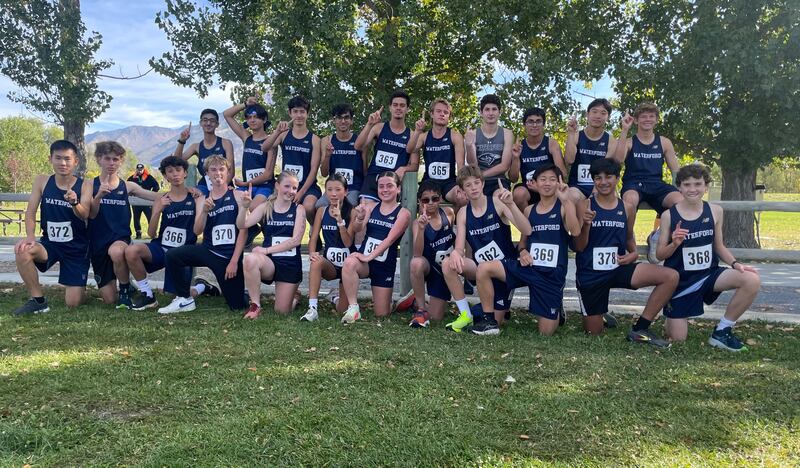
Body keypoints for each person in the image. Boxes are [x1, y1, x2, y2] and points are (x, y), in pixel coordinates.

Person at [573, 158, 678, 347]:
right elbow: (579, 247)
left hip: (618, 268)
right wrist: (587, 224)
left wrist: (633, 253)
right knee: (593, 333)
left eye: (608, 177)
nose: (603, 182)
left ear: (617, 178)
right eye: (598, 178)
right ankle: (599, 313)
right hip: (591, 274)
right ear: (593, 181)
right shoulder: (584, 205)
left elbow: (629, 237)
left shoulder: (627, 207)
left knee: (670, 276)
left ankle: (641, 328)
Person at [657, 164, 761, 351]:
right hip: (682, 283)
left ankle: (722, 331)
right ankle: (672, 316)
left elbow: (718, 246)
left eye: (698, 184)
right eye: (687, 185)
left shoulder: (715, 211)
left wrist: (735, 264)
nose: (693, 189)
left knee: (751, 279)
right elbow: (659, 255)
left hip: (708, 275)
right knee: (678, 339)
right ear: (679, 187)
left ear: (706, 186)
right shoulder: (668, 216)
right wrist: (674, 243)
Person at [475, 164, 580, 335]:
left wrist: (567, 200)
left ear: (559, 183)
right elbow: (523, 242)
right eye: (543, 179)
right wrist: (523, 252)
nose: (547, 184)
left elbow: (575, 231)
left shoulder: (563, 208)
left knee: (545, 333)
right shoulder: (530, 210)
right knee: (484, 268)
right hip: (528, 268)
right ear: (535, 184)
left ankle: (556, 306)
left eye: (552, 180)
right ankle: (489, 320)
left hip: (550, 275)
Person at [441, 165, 532, 335]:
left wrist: (511, 205)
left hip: (505, 268)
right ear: (462, 191)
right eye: (468, 185)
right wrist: (455, 252)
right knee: (447, 264)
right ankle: (465, 314)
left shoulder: (497, 203)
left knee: (498, 321)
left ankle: (490, 312)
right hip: (481, 269)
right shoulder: (463, 213)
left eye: (476, 183)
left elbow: (527, 230)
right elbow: (460, 247)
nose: (473, 187)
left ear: (482, 184)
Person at [159, 155, 248, 313]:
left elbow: (243, 230)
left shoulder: (238, 196)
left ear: (228, 172)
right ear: (207, 173)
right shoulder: (202, 199)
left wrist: (234, 261)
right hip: (208, 251)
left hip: (228, 258)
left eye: (221, 169)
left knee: (237, 306)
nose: (217, 173)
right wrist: (205, 212)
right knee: (173, 255)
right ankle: (184, 298)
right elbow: (197, 230)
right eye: (213, 170)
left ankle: (207, 288)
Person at [12, 140, 91, 315]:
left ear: (75, 161)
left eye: (67, 159)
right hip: (50, 244)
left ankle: (80, 289)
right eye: (58, 158)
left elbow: (85, 214)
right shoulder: (42, 181)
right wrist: (30, 236)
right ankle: (38, 301)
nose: (63, 163)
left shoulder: (85, 184)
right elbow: (31, 212)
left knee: (73, 302)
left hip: (76, 248)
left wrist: (74, 202)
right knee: (23, 250)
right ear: (50, 159)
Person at [124, 156, 207, 310]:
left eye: (178, 170)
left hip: (182, 252)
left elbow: (198, 230)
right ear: (165, 176)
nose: (175, 174)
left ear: (185, 173)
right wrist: (157, 211)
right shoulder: (162, 199)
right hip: (162, 247)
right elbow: (151, 233)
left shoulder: (196, 197)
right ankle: (147, 294)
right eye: (170, 171)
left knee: (176, 293)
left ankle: (202, 287)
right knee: (131, 250)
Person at [86, 141, 161, 308]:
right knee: (109, 299)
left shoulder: (127, 186)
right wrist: (98, 196)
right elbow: (90, 214)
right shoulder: (90, 185)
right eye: (107, 159)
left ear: (121, 161)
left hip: (120, 239)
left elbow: (153, 196)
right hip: (97, 242)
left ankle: (125, 290)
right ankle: (128, 285)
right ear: (99, 159)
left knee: (117, 252)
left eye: (116, 159)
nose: (111, 163)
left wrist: (184, 193)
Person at [612, 102, 683, 262]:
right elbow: (617, 161)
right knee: (629, 202)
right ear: (636, 120)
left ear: (657, 120)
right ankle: (631, 246)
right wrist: (624, 130)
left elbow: (676, 170)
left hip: (656, 184)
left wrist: (681, 187)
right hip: (634, 183)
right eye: (643, 116)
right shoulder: (630, 141)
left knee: (680, 202)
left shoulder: (664, 142)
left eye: (651, 116)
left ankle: (657, 237)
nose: (647, 119)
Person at [340, 171, 411, 323]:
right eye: (381, 186)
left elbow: (389, 240)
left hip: (384, 265)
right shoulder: (371, 207)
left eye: (389, 186)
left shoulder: (403, 213)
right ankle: (353, 308)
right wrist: (359, 217)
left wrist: (368, 255)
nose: (385, 190)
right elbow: (358, 229)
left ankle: (392, 303)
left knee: (381, 314)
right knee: (349, 262)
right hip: (365, 263)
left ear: (398, 189)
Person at [238, 172, 306, 318]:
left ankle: (294, 297)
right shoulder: (266, 207)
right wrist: (244, 207)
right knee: (250, 259)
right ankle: (255, 305)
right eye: (287, 186)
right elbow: (242, 224)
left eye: (294, 188)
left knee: (281, 312)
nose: (291, 191)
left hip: (289, 263)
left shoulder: (299, 209)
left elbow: (296, 241)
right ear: (277, 185)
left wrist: (266, 250)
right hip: (270, 263)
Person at [304, 174, 358, 322]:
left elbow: (348, 243)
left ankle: (335, 298)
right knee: (316, 261)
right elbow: (313, 237)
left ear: (345, 191)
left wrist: (340, 221)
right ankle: (312, 308)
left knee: (342, 309)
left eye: (338, 189)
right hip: (331, 265)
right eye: (329, 190)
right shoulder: (322, 211)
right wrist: (312, 253)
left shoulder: (352, 211)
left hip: (348, 267)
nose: (333, 193)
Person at [261, 95, 321, 223]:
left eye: (302, 112)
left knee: (309, 207)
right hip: (286, 185)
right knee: (268, 208)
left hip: (307, 186)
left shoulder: (315, 140)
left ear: (307, 114)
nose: (299, 115)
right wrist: (277, 131)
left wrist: (301, 192)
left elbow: (314, 169)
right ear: (290, 113)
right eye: (295, 111)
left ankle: (313, 232)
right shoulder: (283, 135)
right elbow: (265, 148)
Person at [405, 180, 456, 328]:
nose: (431, 203)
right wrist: (421, 229)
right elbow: (417, 253)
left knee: (436, 317)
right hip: (428, 266)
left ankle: (413, 301)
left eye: (435, 198)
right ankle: (421, 308)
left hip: (444, 269)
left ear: (440, 199)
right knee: (416, 263)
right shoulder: (418, 223)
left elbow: (453, 239)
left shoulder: (449, 213)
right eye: (426, 200)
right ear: (420, 202)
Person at [355, 90, 420, 204]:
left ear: (407, 109)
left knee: (387, 216)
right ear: (390, 108)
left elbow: (415, 165)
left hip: (393, 183)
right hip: (373, 179)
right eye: (395, 105)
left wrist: (404, 168)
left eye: (402, 105)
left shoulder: (412, 135)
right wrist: (369, 124)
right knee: (364, 211)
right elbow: (358, 146)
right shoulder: (379, 128)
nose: (398, 108)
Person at [406, 99, 466, 207]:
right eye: (438, 111)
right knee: (427, 200)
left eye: (446, 112)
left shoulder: (455, 136)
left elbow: (461, 166)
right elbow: (409, 150)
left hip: (449, 182)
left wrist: (462, 187)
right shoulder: (423, 136)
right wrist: (417, 132)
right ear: (432, 114)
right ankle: (424, 223)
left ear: (449, 117)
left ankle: (454, 222)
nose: (442, 114)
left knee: (462, 197)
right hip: (429, 182)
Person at [509, 107, 567, 211]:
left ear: (543, 124)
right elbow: (513, 178)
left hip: (549, 186)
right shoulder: (520, 147)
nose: (534, 125)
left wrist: (542, 186)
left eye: (538, 121)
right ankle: (529, 225)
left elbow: (562, 174)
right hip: (529, 188)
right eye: (530, 122)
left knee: (566, 192)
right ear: (524, 125)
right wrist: (516, 158)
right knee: (518, 194)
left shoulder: (551, 144)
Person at [223, 96, 275, 204]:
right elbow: (227, 115)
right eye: (249, 117)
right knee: (231, 203)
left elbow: (268, 175)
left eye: (256, 117)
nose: (252, 120)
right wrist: (246, 104)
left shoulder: (270, 141)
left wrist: (245, 184)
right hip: (247, 187)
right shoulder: (246, 137)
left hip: (264, 187)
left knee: (253, 207)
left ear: (264, 119)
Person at [565, 98, 618, 201]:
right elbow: (569, 160)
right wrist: (570, 134)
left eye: (603, 113)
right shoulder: (576, 136)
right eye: (594, 111)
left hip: (601, 186)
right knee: (571, 196)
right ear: (587, 114)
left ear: (608, 118)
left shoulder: (611, 141)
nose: (598, 116)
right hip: (577, 187)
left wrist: (595, 191)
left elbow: (605, 169)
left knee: (615, 200)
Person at [173, 109, 235, 196]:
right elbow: (176, 161)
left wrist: (220, 188)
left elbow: (231, 171)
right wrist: (182, 141)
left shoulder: (226, 143)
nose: (208, 123)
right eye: (205, 120)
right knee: (195, 198)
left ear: (217, 124)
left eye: (212, 121)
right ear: (201, 123)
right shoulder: (196, 146)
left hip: (224, 183)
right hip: (205, 186)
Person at [465, 94, 514, 197]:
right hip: (477, 183)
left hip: (498, 180)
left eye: (494, 109)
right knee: (467, 200)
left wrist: (481, 175)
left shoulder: (507, 133)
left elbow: (504, 166)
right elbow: (473, 163)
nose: (491, 113)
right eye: (487, 109)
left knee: (500, 198)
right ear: (481, 113)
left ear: (499, 112)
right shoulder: (473, 134)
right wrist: (469, 146)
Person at [318, 103, 365, 207]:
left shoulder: (359, 141)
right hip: (334, 189)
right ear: (334, 120)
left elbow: (365, 169)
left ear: (352, 120)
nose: (343, 121)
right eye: (339, 118)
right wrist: (327, 155)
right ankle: (317, 224)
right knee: (319, 205)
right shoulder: (327, 141)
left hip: (353, 188)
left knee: (348, 205)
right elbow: (324, 173)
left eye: (346, 117)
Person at [127, 163, 160, 239]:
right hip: (136, 202)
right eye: (138, 170)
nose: (140, 171)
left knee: (150, 217)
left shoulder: (149, 177)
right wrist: (131, 194)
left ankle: (153, 234)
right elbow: (127, 186)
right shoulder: (132, 178)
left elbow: (156, 186)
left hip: (146, 201)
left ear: (143, 169)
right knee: (136, 218)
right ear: (136, 169)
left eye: (141, 170)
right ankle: (138, 234)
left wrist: (151, 194)